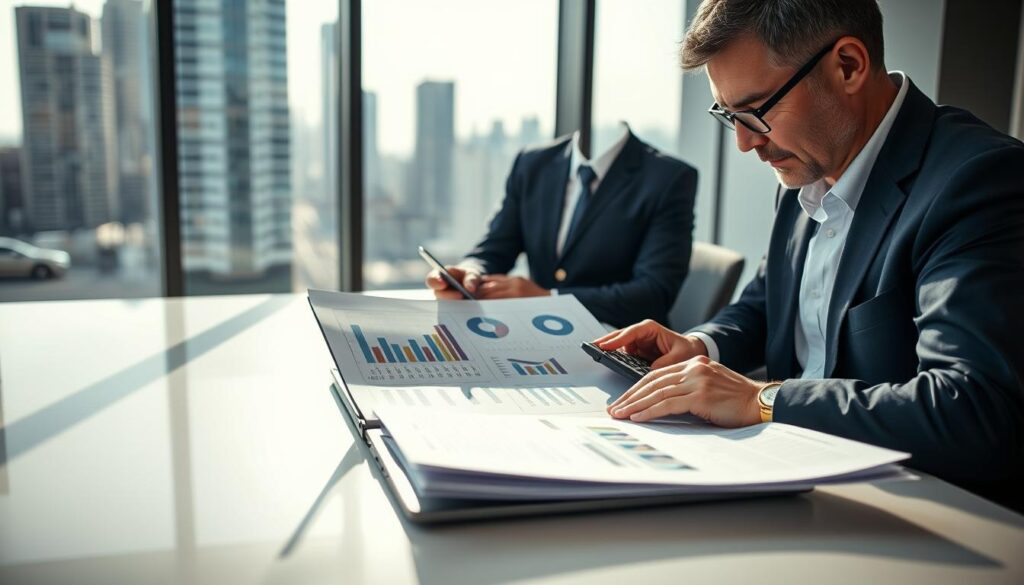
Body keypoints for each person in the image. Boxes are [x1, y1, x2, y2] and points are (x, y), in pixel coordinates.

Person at [598, 0, 1024, 509]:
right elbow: (768, 302)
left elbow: (972, 410)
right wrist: (700, 347)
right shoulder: (808, 166)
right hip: (787, 471)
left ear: (848, 66)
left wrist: (761, 400)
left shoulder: (978, 181)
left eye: (756, 110)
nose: (744, 142)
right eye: (728, 115)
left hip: (913, 502)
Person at [425, 124, 698, 328]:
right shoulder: (532, 163)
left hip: (618, 344)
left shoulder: (668, 178)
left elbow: (653, 294)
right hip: (537, 334)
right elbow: (496, 247)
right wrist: (470, 272)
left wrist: (548, 297)